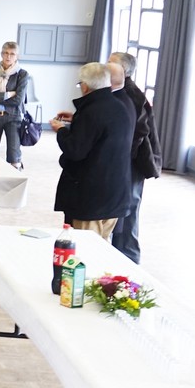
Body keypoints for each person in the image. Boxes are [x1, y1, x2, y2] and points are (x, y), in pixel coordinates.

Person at [50, 63, 134, 241]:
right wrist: (76, 120)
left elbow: (75, 150)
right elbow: (102, 132)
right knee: (102, 246)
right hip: (115, 191)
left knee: (84, 246)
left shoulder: (90, 112)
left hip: (92, 195)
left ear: (86, 86)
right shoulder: (120, 107)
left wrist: (61, 130)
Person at [107, 52, 161, 263]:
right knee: (121, 208)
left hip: (134, 162)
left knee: (128, 210)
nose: (106, 65)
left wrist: (122, 155)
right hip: (127, 160)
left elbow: (139, 131)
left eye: (111, 62)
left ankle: (129, 259)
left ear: (123, 70)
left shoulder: (132, 94)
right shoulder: (121, 90)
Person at [0, 41, 32, 170]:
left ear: (17, 56)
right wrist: (8, 94)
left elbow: (18, 100)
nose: (8, 56)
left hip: (13, 116)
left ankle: (16, 173)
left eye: (12, 54)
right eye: (5, 53)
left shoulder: (22, 74)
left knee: (14, 155)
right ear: (1, 54)